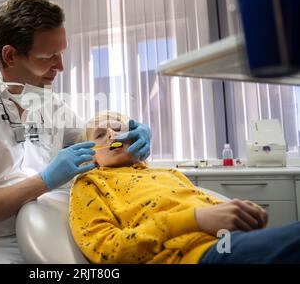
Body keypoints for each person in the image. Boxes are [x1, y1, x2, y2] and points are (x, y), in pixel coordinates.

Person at [0, 0, 151, 263]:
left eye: (62, 54)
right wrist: (43, 182)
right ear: (10, 55)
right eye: (49, 57)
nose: (61, 67)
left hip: (54, 230)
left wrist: (129, 137)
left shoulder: (51, 104)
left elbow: (96, 145)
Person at [69, 111, 300, 264]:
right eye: (100, 134)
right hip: (193, 255)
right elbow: (107, 249)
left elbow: (209, 213)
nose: (112, 134)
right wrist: (196, 220)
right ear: (92, 157)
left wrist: (240, 213)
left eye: (119, 129)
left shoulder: (168, 174)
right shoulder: (91, 183)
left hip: (228, 241)